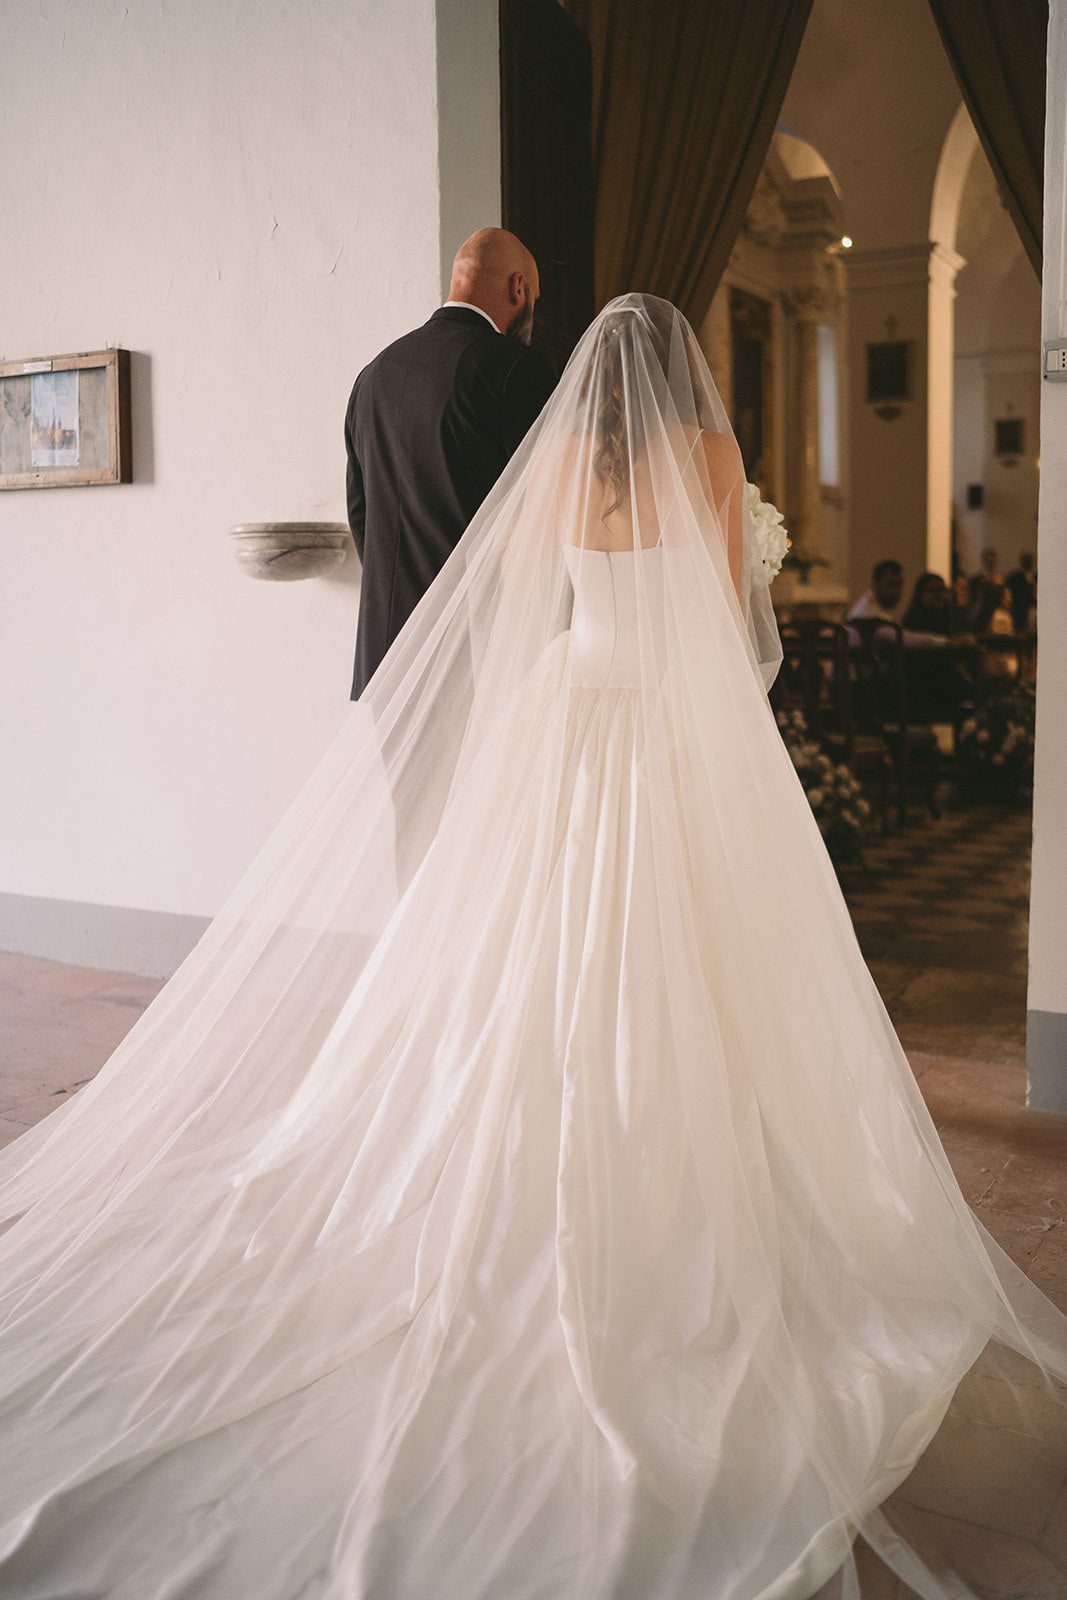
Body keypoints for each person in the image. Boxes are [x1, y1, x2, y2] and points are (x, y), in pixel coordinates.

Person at [0, 296, 1064, 1600]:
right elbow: (735, 627)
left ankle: (524, 1150)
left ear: (574, 384)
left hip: (563, 713)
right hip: (668, 723)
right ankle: (671, 1165)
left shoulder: (550, 464)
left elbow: (506, 596)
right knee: (691, 960)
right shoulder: (714, 461)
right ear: (684, 378)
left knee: (538, 956)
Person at [345, 227, 557, 698]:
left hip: (386, 660)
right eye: (534, 297)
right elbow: (545, 512)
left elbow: (363, 517)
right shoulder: (516, 370)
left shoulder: (374, 374)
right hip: (479, 660)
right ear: (517, 288)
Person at [847, 558, 949, 650]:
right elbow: (906, 639)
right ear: (875, 584)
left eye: (899, 586)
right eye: (890, 585)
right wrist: (947, 642)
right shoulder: (868, 614)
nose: (896, 592)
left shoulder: (867, 605)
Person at [1005, 550, 1037, 634]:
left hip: (1033, 608)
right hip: (1019, 611)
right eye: (1025, 560)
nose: (1027, 562)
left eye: (1029, 560)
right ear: (1021, 561)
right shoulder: (1014, 577)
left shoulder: (1036, 576)